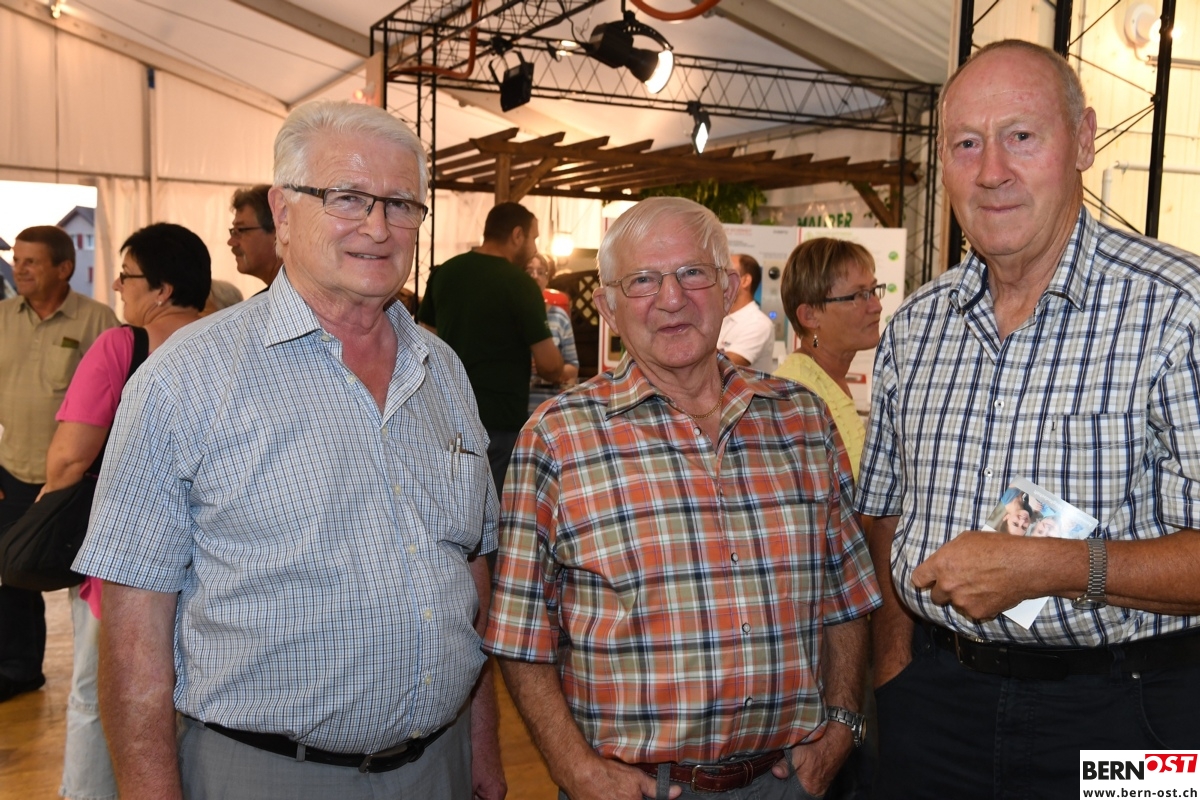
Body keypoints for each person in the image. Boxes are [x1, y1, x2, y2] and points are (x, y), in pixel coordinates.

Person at [74, 100, 505, 800]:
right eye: (347, 197)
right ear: (282, 211)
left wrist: (481, 749)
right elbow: (133, 633)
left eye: (401, 205)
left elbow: (467, 574)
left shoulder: (443, 370)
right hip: (266, 773)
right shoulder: (185, 379)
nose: (377, 227)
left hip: (440, 766)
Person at [855, 39, 1200, 799]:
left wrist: (1052, 568)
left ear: (1083, 140)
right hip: (935, 706)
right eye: (966, 144)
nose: (991, 172)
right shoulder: (915, 327)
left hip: (1133, 716)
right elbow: (882, 512)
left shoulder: (1179, 311)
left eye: (1020, 136)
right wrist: (894, 667)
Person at [485, 197, 880, 800]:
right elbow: (519, 631)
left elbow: (846, 594)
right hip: (634, 789)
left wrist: (843, 721)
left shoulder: (801, 419)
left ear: (727, 289)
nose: (671, 299)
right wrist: (573, 768)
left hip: (788, 782)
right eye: (643, 280)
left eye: (692, 273)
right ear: (610, 307)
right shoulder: (558, 438)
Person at [43, 222, 210, 800]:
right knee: (192, 698)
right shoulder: (234, 345)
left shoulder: (122, 346)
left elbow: (70, 457)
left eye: (127, 275)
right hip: (216, 562)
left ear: (162, 289)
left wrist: (43, 511)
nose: (118, 285)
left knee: (100, 695)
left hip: (127, 562)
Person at [0, 225, 117, 703]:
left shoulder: (97, 321)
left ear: (64, 268)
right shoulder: (3, 317)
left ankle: (92, 682)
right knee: (11, 571)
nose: (20, 269)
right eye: (17, 260)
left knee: (77, 579)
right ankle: (18, 669)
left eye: (31, 261)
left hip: (73, 481)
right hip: (11, 472)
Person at [417, 202, 564, 492]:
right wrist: (559, 368)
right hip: (500, 420)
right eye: (534, 238)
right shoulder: (521, 285)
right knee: (494, 509)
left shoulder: (445, 273)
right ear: (517, 235)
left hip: (446, 416)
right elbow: (550, 365)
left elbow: (424, 343)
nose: (535, 248)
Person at [775, 238, 883, 480]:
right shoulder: (797, 395)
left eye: (874, 291)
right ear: (810, 316)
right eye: (859, 295)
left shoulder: (828, 377)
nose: (876, 306)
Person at [525, 252, 579, 414]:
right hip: (517, 406)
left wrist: (552, 369)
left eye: (541, 272)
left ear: (547, 279)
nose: (535, 276)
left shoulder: (559, 316)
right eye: (529, 271)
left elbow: (573, 366)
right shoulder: (510, 315)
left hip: (549, 406)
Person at [717, 253, 776, 372]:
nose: (719, 278)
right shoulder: (720, 318)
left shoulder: (758, 324)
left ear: (745, 281)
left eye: (726, 272)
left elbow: (721, 367)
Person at [228, 184, 283, 287]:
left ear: (278, 232)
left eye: (240, 230)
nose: (231, 242)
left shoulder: (299, 292)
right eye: (233, 231)